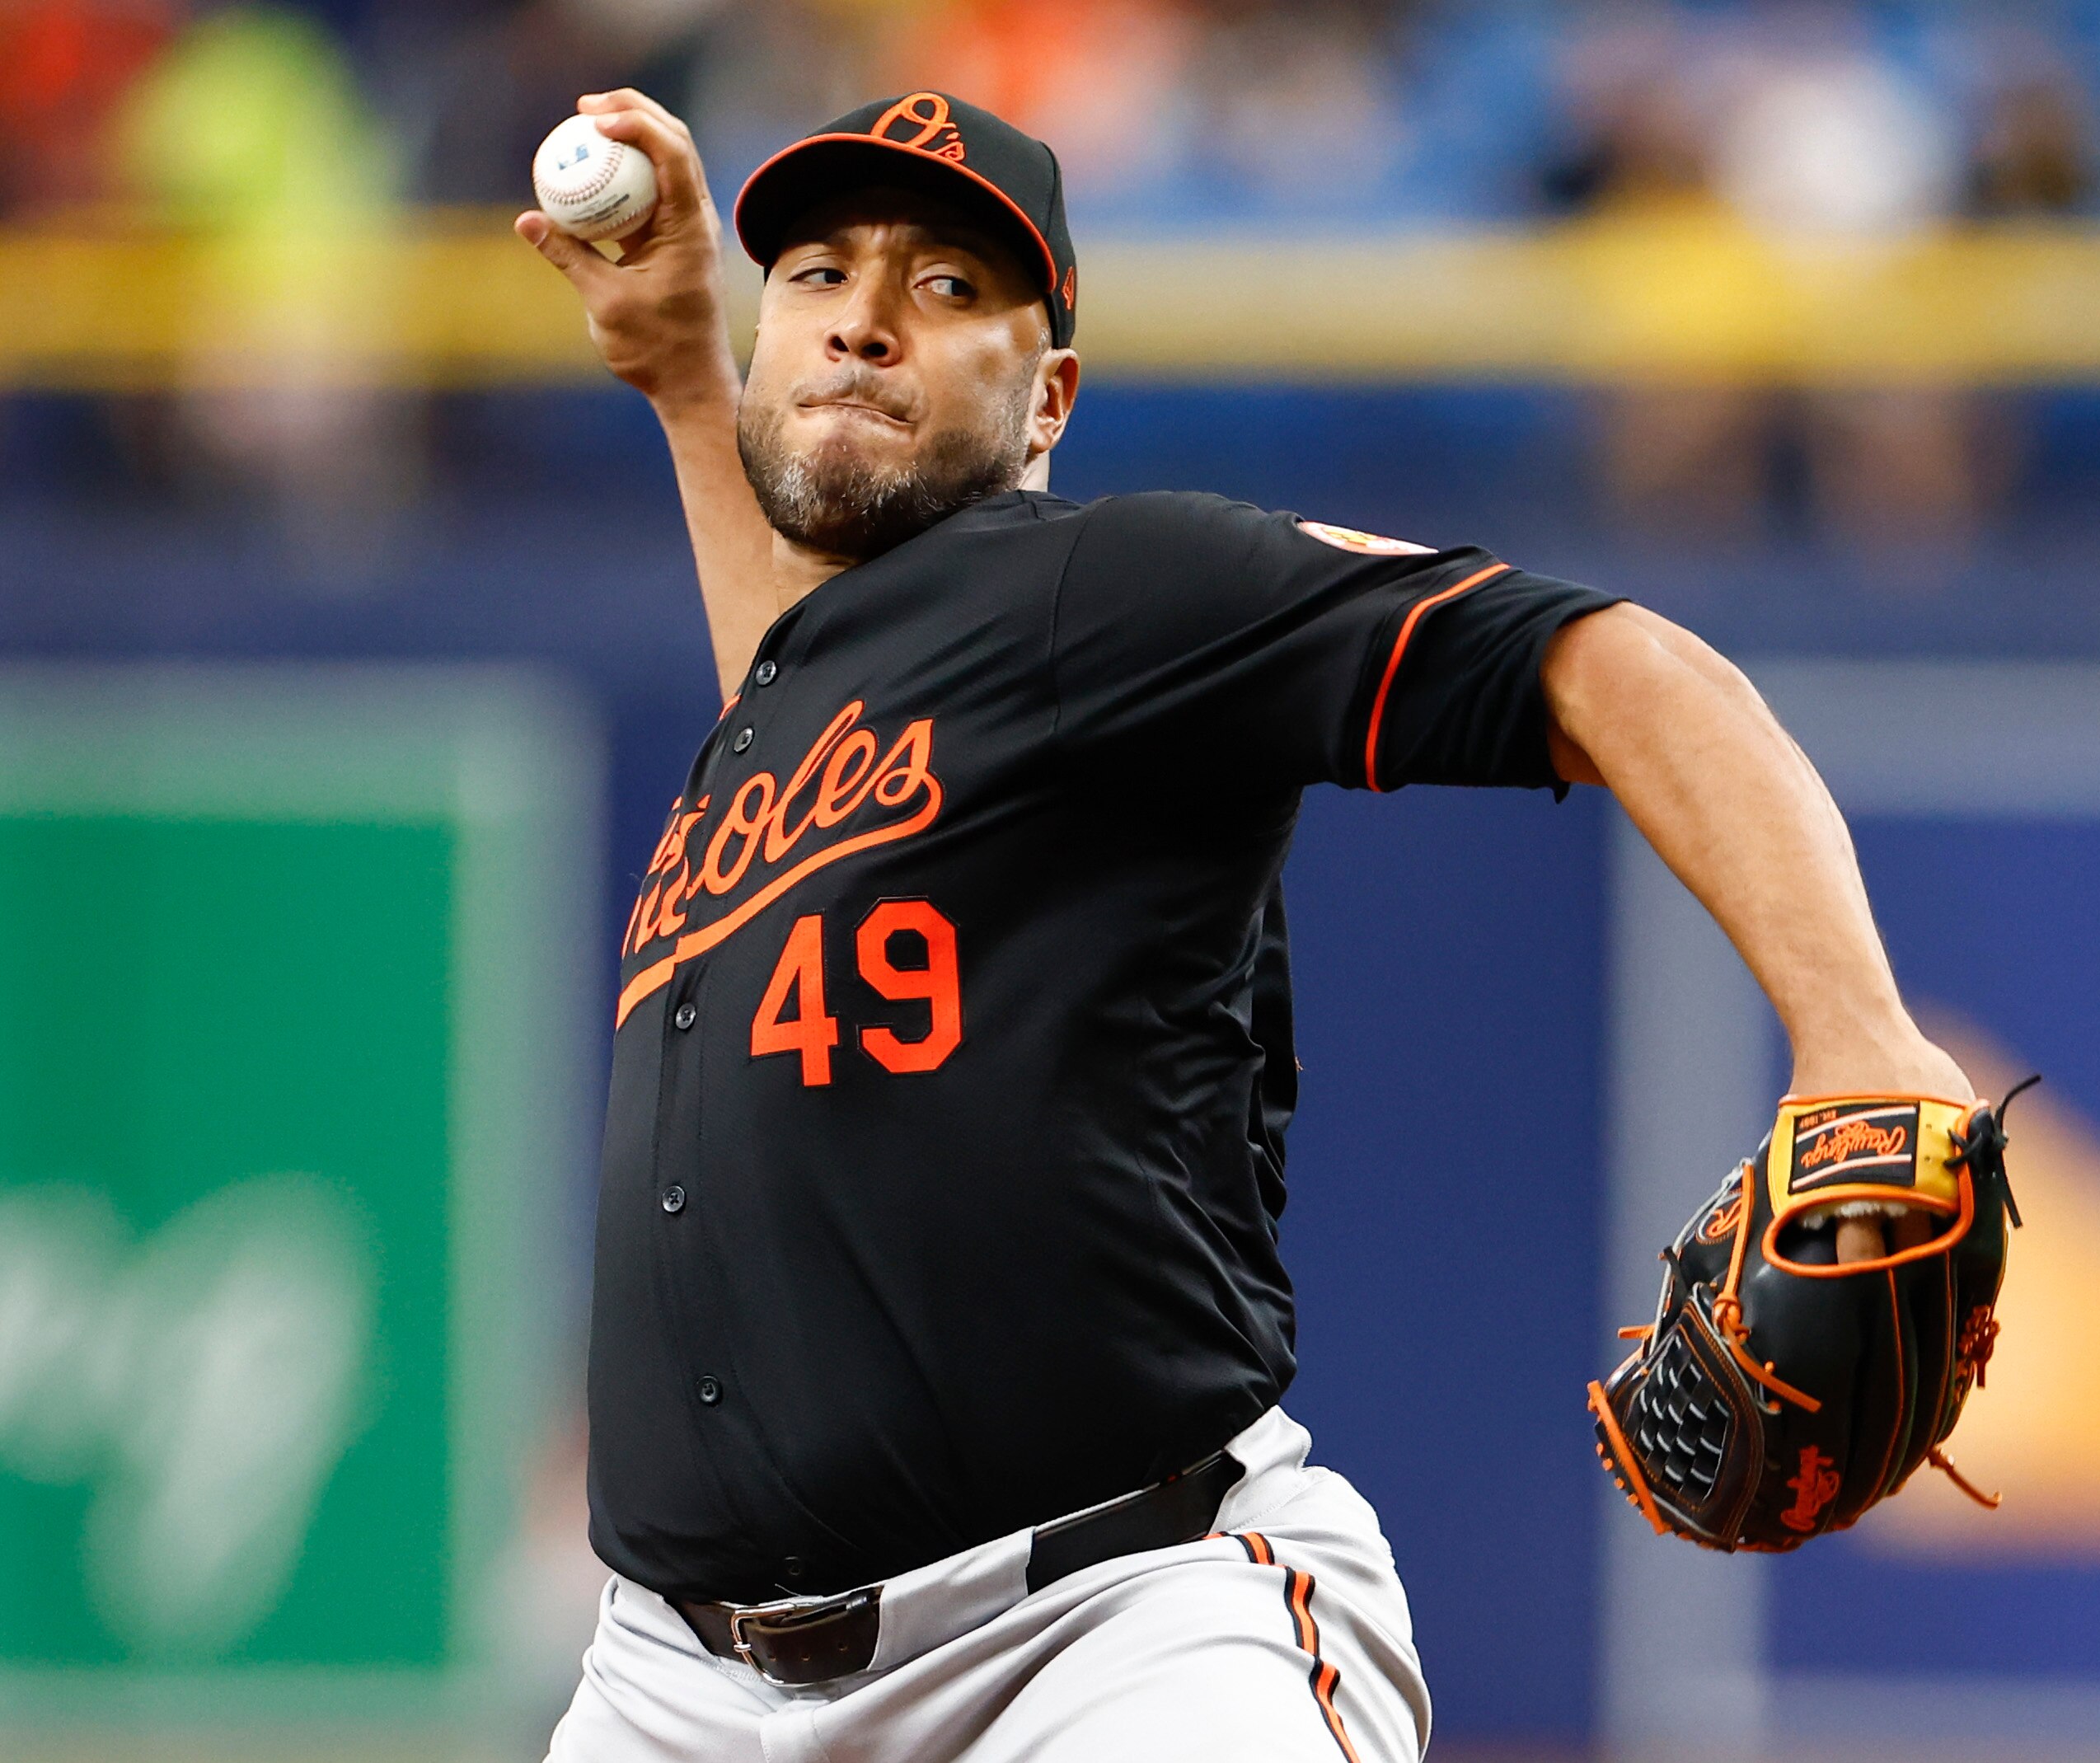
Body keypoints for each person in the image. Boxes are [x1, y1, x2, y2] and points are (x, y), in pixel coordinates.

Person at [518, 87, 1972, 1763]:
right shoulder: (801, 707)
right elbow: (819, 699)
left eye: (945, 286)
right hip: (674, 1686)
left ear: (1048, 396)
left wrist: (1859, 1027)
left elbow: (1619, 665)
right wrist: (687, 382)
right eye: (819, 273)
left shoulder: (1111, 592)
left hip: (1101, 1633)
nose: (861, 315)